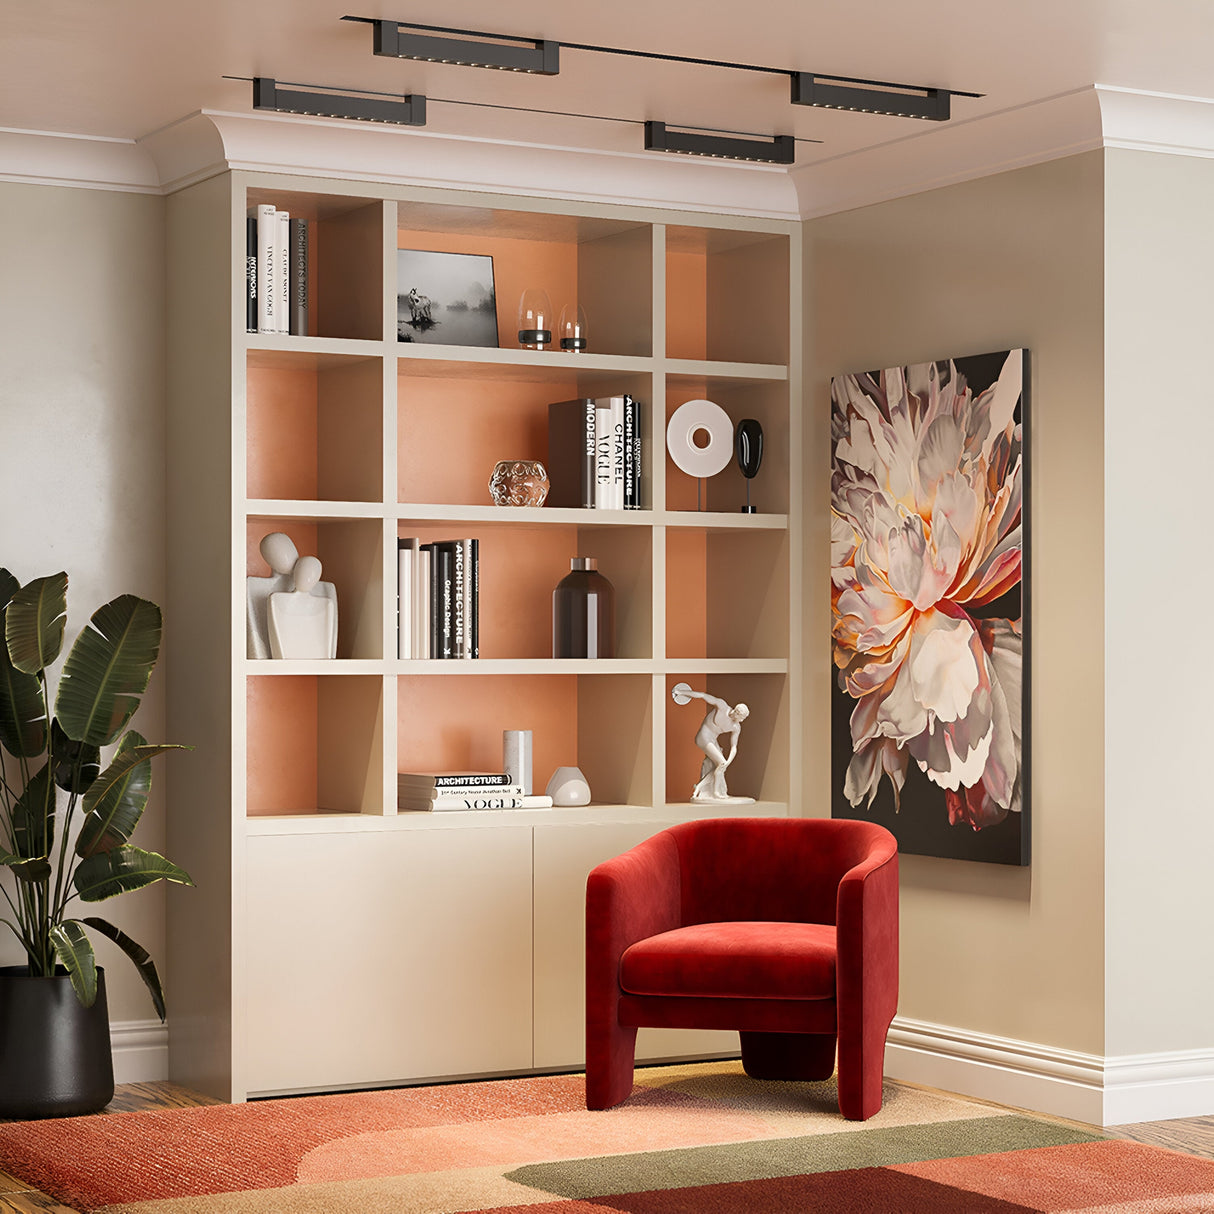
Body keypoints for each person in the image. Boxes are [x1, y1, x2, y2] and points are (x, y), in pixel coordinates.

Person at [673, 685, 750, 800]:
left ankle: (700, 787)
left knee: (721, 765)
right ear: (737, 712)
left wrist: (729, 761)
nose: (742, 720)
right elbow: (702, 696)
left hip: (713, 740)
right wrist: (680, 692)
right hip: (703, 737)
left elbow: (734, 746)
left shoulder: (736, 726)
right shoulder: (722, 706)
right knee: (721, 763)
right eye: (742, 717)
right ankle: (715, 792)